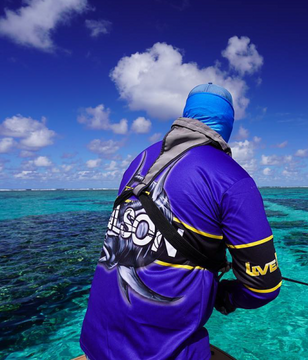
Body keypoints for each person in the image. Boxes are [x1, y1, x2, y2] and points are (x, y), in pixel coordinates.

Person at [80, 83, 282, 360]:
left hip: (96, 339)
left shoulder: (139, 161)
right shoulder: (233, 179)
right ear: (228, 123)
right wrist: (224, 296)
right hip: (162, 350)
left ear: (187, 114)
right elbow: (265, 287)